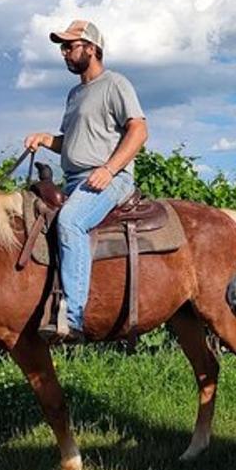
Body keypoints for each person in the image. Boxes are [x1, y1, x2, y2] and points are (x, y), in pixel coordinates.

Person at [23, 20, 148, 342]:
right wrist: (47, 139)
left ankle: (71, 316)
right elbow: (75, 142)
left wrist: (109, 170)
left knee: (71, 222)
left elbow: (138, 129)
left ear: (91, 48)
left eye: (70, 46)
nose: (64, 53)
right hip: (75, 178)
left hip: (110, 178)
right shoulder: (75, 93)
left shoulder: (115, 83)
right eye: (62, 47)